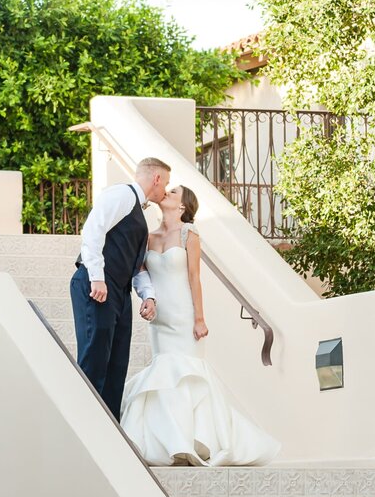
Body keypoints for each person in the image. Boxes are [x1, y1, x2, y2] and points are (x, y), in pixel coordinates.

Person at [120, 185, 280, 466]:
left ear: (183, 206)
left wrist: (199, 318)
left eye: (173, 192)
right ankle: (169, 442)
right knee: (164, 373)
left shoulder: (189, 234)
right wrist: (147, 300)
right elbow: (141, 272)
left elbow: (195, 277)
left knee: (188, 374)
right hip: (159, 317)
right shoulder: (148, 236)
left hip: (183, 314)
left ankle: (195, 442)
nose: (166, 193)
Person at [70, 158, 170, 419]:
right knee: (95, 359)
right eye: (166, 183)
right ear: (156, 178)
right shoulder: (121, 194)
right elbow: (93, 231)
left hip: (120, 292)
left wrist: (148, 295)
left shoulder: (139, 211)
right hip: (97, 287)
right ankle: (84, 423)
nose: (165, 190)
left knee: (117, 365)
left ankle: (110, 428)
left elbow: (136, 264)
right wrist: (97, 277)